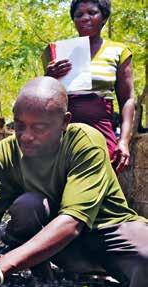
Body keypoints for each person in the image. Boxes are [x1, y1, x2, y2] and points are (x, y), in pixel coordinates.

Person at [0, 77, 148, 287]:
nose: (26, 136)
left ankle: (104, 269)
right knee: (28, 205)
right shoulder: (4, 154)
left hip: (105, 231)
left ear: (65, 122)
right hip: (57, 247)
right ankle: (38, 267)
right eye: (19, 125)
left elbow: (72, 222)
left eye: (39, 127)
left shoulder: (85, 142)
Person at [44, 0, 135, 173]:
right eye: (79, 15)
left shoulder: (118, 51)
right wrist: (48, 77)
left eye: (92, 13)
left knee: (99, 179)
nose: (85, 18)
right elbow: (45, 96)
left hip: (100, 127)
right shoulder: (61, 52)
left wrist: (123, 141)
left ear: (104, 18)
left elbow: (128, 99)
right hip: (62, 129)